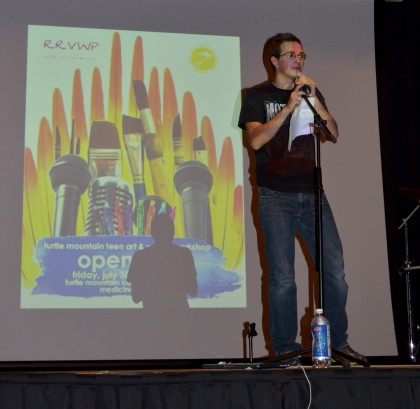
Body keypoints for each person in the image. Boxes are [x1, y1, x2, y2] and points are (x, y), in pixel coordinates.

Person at [238, 32, 368, 367]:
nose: (298, 60)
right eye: (292, 55)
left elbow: (334, 133)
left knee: (334, 271)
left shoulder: (312, 94)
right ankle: (284, 350)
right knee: (282, 277)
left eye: (302, 55)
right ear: (275, 60)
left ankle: (339, 344)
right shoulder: (256, 96)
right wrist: (289, 107)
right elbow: (255, 141)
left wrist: (315, 101)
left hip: (313, 195)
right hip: (274, 197)